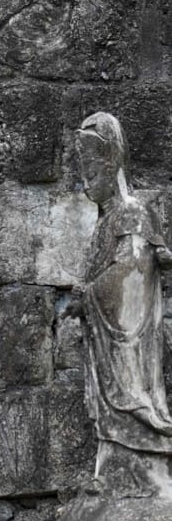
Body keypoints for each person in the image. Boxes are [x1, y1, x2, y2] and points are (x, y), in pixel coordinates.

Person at [68, 112, 172, 473]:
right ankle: (112, 472)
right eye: (82, 174)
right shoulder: (105, 223)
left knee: (132, 403)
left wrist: (87, 296)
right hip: (105, 347)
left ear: (113, 164)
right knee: (109, 420)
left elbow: (130, 273)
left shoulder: (132, 214)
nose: (85, 183)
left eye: (92, 173)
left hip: (128, 343)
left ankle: (140, 472)